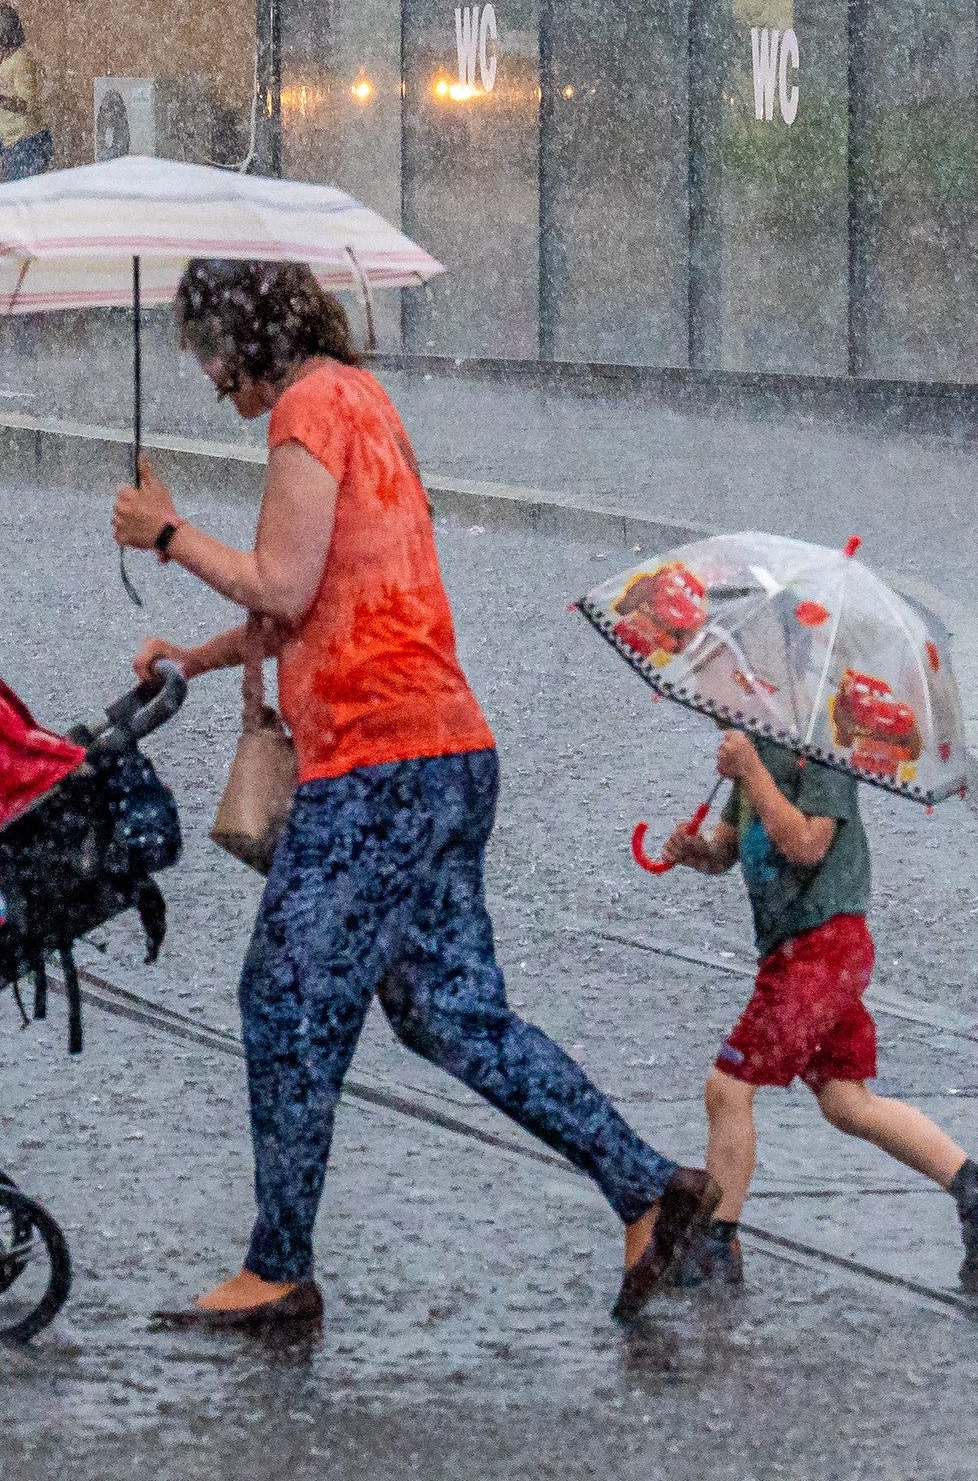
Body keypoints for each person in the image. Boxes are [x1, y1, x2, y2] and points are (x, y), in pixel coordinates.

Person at [111, 259, 717, 1330]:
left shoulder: (306, 405)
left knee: (284, 998)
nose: (209, 376)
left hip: (376, 770)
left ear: (252, 334)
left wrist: (167, 533)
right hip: (445, 753)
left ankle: (278, 1266)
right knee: (451, 1013)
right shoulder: (366, 401)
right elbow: (341, 593)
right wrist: (198, 661)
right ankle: (646, 1187)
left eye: (211, 348)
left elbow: (283, 583)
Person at [657, 729, 978, 1291]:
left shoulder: (825, 747)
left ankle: (715, 1245)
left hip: (823, 948)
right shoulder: (755, 742)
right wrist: (701, 852)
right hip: (796, 952)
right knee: (845, 1101)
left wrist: (753, 772)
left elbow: (810, 844)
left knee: (727, 1086)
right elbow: (731, 842)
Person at [0, 4, 51, 181]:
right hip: (12, 143)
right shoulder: (8, 59)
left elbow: (27, 105)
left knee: (22, 196)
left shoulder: (21, 61)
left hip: (26, 142)